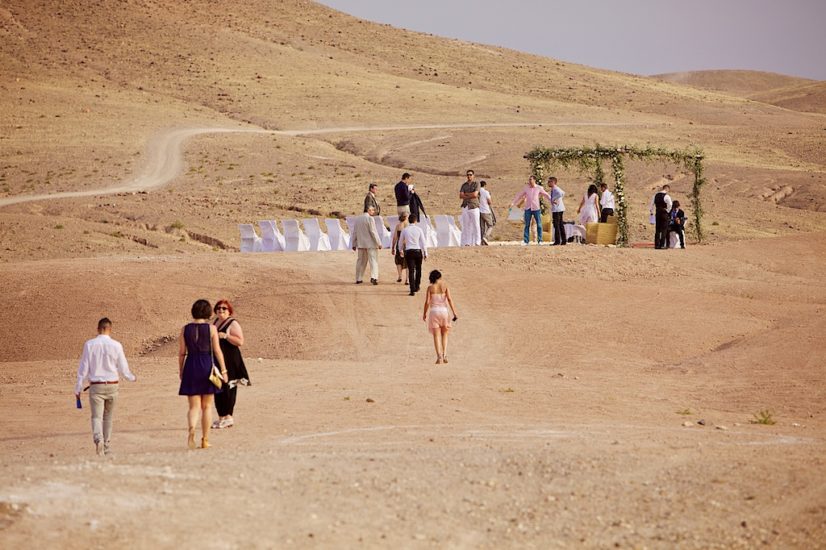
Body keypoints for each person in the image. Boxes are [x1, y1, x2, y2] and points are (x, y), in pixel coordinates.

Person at [74, 317, 136, 457]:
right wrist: (132, 378)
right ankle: (107, 445)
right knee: (108, 417)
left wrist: (78, 388)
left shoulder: (89, 345)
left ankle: (98, 440)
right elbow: (123, 368)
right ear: (110, 329)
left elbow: (83, 369)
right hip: (112, 385)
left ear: (98, 329)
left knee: (96, 416)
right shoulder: (116, 345)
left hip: (96, 387)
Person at [179, 299, 227, 450]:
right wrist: (224, 371)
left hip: (191, 365)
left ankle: (192, 428)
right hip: (206, 366)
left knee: (193, 406)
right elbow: (217, 351)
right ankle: (205, 439)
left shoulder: (185, 329)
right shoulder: (212, 329)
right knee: (207, 406)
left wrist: (181, 371)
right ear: (208, 312)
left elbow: (181, 353)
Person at [211, 299, 250, 430]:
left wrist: (226, 336)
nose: (221, 310)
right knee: (217, 386)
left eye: (224, 308)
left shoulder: (232, 323)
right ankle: (221, 416)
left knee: (229, 387)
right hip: (217, 359)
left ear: (229, 311)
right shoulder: (215, 322)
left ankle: (228, 417)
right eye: (218, 308)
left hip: (231, 359)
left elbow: (240, 341)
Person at [422, 270, 458, 364]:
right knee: (445, 334)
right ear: (439, 277)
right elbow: (449, 299)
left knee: (436, 335)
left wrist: (424, 313)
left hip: (434, 313)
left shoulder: (430, 288)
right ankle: (445, 354)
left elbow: (427, 302)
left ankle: (439, 356)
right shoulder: (445, 286)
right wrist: (454, 312)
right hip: (444, 312)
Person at [511, 175, 552, 245]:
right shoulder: (526, 188)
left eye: (531, 179)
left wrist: (552, 200)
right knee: (527, 225)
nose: (529, 181)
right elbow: (519, 195)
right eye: (529, 179)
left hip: (536, 209)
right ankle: (526, 241)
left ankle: (540, 241)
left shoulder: (539, 188)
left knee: (539, 224)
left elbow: (546, 195)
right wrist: (513, 203)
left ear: (534, 180)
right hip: (528, 208)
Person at [352, 205, 383, 285]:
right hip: (371, 244)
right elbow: (373, 232)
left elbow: (354, 232)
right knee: (373, 261)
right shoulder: (370, 218)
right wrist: (379, 243)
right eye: (372, 210)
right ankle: (374, 277)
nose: (373, 212)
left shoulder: (358, 219)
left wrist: (354, 243)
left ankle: (358, 278)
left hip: (361, 244)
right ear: (368, 210)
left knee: (360, 261)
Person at [399, 213, 428, 296]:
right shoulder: (419, 230)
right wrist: (425, 252)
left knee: (411, 270)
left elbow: (401, 241)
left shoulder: (405, 230)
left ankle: (412, 290)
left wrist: (400, 250)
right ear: (415, 221)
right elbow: (423, 242)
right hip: (418, 251)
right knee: (418, 269)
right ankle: (417, 286)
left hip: (409, 252)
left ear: (408, 220)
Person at [458, 169, 481, 246]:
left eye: (470, 174)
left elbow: (475, 195)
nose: (469, 176)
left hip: (474, 206)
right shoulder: (464, 185)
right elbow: (461, 196)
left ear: (473, 176)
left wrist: (466, 194)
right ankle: (467, 242)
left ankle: (477, 241)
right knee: (466, 225)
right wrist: (470, 195)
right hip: (465, 206)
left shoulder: (476, 184)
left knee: (476, 224)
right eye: (468, 174)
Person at [649, 184, 672, 249]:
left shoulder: (655, 195)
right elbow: (670, 204)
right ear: (667, 189)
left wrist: (651, 212)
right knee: (664, 229)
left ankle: (656, 245)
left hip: (657, 213)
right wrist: (667, 210)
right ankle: (662, 245)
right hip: (664, 213)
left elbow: (651, 205)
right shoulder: (667, 196)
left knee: (657, 229)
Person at [390, 213, 409, 284]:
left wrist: (393, 247)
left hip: (399, 245)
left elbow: (395, 237)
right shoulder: (408, 226)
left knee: (398, 261)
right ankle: (407, 279)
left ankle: (400, 276)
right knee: (407, 262)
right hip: (407, 245)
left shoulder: (398, 226)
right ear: (406, 217)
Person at [548, 177, 567, 245]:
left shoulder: (556, 189)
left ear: (553, 182)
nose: (548, 183)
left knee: (557, 225)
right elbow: (563, 193)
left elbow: (561, 194)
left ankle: (558, 240)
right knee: (560, 224)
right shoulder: (555, 189)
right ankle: (564, 240)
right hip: (558, 208)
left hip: (557, 209)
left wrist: (554, 199)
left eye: (550, 181)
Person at [478, 180, 496, 245]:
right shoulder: (486, 192)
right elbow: (489, 202)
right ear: (485, 185)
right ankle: (485, 237)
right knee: (490, 225)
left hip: (480, 211)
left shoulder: (478, 192)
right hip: (486, 211)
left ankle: (482, 242)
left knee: (482, 227)